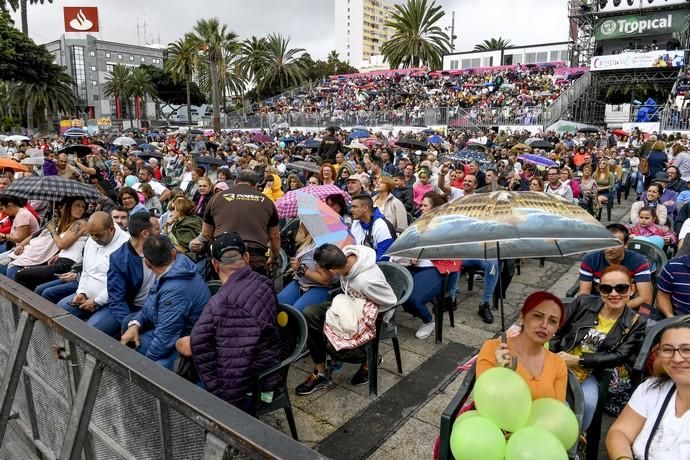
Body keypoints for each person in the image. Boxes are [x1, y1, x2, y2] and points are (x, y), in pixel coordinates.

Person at [176, 232, 283, 409]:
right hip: (267, 366)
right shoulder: (263, 282)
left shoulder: (223, 304)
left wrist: (227, 417)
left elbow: (232, 373)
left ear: (214, 265)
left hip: (252, 388)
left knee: (179, 395)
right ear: (246, 258)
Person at [551, 265, 646, 430]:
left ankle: (575, 440)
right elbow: (557, 331)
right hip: (558, 360)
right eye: (606, 288)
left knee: (586, 404)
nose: (614, 294)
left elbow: (619, 356)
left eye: (621, 288)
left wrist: (578, 360)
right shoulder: (583, 302)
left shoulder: (636, 322)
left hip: (592, 373)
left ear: (632, 289)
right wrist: (552, 355)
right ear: (599, 289)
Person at [295, 244, 396, 394]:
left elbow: (390, 301)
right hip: (346, 304)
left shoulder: (365, 282)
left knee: (334, 347)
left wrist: (363, 313)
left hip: (365, 314)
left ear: (332, 271)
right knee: (310, 314)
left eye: (319, 269)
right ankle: (321, 373)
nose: (317, 270)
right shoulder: (347, 255)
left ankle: (371, 358)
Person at [120, 235, 210, 369]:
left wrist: (142, 366)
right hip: (168, 328)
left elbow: (164, 340)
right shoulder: (175, 267)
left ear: (147, 263)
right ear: (173, 252)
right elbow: (149, 305)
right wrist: (136, 324)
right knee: (128, 322)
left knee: (151, 364)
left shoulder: (174, 289)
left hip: (186, 341)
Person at [606, 323, 690, 460]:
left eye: (687, 349)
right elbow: (619, 432)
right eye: (668, 350)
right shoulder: (653, 389)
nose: (677, 359)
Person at [477, 291, 567, 401]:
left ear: (557, 328)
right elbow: (482, 399)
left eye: (552, 321)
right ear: (522, 317)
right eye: (538, 316)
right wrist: (499, 374)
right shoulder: (494, 348)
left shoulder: (558, 364)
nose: (544, 325)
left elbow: (558, 411)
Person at [190, 170, 280, 275]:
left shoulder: (217, 198)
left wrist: (195, 243)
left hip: (224, 254)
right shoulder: (267, 201)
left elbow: (206, 234)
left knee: (223, 289)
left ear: (235, 182)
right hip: (255, 256)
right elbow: (275, 236)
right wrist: (274, 257)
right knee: (254, 290)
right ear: (255, 185)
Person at [56, 212, 130, 330]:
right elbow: (86, 271)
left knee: (90, 331)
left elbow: (120, 284)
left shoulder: (126, 244)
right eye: (91, 235)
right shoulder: (92, 240)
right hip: (88, 296)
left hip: (113, 302)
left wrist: (97, 301)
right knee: (60, 309)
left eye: (98, 235)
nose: (95, 239)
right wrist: (81, 292)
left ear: (111, 229)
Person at [399, 192, 450, 339]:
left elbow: (446, 251)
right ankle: (417, 312)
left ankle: (429, 321)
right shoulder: (420, 220)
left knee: (411, 298)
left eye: (424, 205)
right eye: (421, 204)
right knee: (398, 292)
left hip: (436, 268)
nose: (420, 208)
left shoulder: (445, 226)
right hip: (414, 265)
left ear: (435, 208)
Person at [101, 212, 160, 337]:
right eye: (157, 229)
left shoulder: (162, 245)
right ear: (145, 234)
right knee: (95, 332)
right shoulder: (119, 259)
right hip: (134, 309)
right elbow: (117, 300)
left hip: (161, 305)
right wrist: (130, 324)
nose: (161, 232)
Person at [11, 197, 88, 290]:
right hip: (59, 261)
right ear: (69, 207)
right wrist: (59, 255)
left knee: (22, 274)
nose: (80, 209)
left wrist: (52, 231)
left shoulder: (80, 224)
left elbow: (62, 244)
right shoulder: (70, 224)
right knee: (25, 276)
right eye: (77, 205)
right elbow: (71, 246)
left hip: (68, 265)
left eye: (83, 207)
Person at [579, 223, 653, 309]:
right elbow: (584, 294)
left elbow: (645, 297)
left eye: (615, 244)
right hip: (596, 306)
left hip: (628, 308)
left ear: (626, 244)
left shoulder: (639, 261)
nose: (610, 249)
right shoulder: (590, 260)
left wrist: (615, 308)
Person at [277, 223, 336, 311]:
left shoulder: (323, 247)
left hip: (319, 287)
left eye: (303, 221)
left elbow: (325, 280)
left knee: (296, 311)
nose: (301, 223)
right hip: (300, 282)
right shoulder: (309, 241)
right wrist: (294, 268)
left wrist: (301, 269)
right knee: (278, 303)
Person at [350, 194, 395, 262]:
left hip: (381, 267)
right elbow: (353, 249)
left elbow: (383, 258)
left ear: (365, 208)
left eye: (354, 207)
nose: (351, 210)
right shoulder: (355, 223)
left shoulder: (381, 225)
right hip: (362, 263)